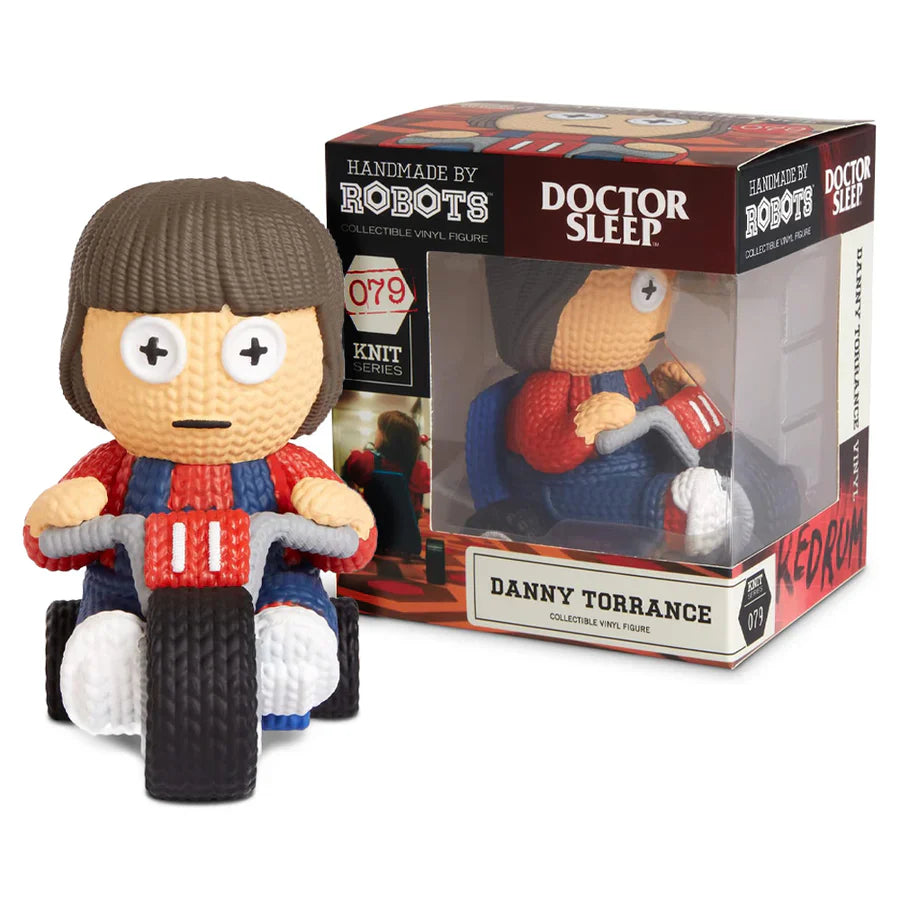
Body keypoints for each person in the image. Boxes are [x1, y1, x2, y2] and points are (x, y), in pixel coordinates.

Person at [23, 178, 376, 735]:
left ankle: (289, 651)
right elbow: (47, 541)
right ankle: (114, 667)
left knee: (293, 611)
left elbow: (354, 544)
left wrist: (338, 519)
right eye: (152, 352)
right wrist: (65, 518)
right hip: (129, 590)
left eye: (253, 352)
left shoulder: (283, 469)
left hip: (271, 582)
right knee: (110, 624)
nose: (201, 390)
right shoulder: (115, 467)